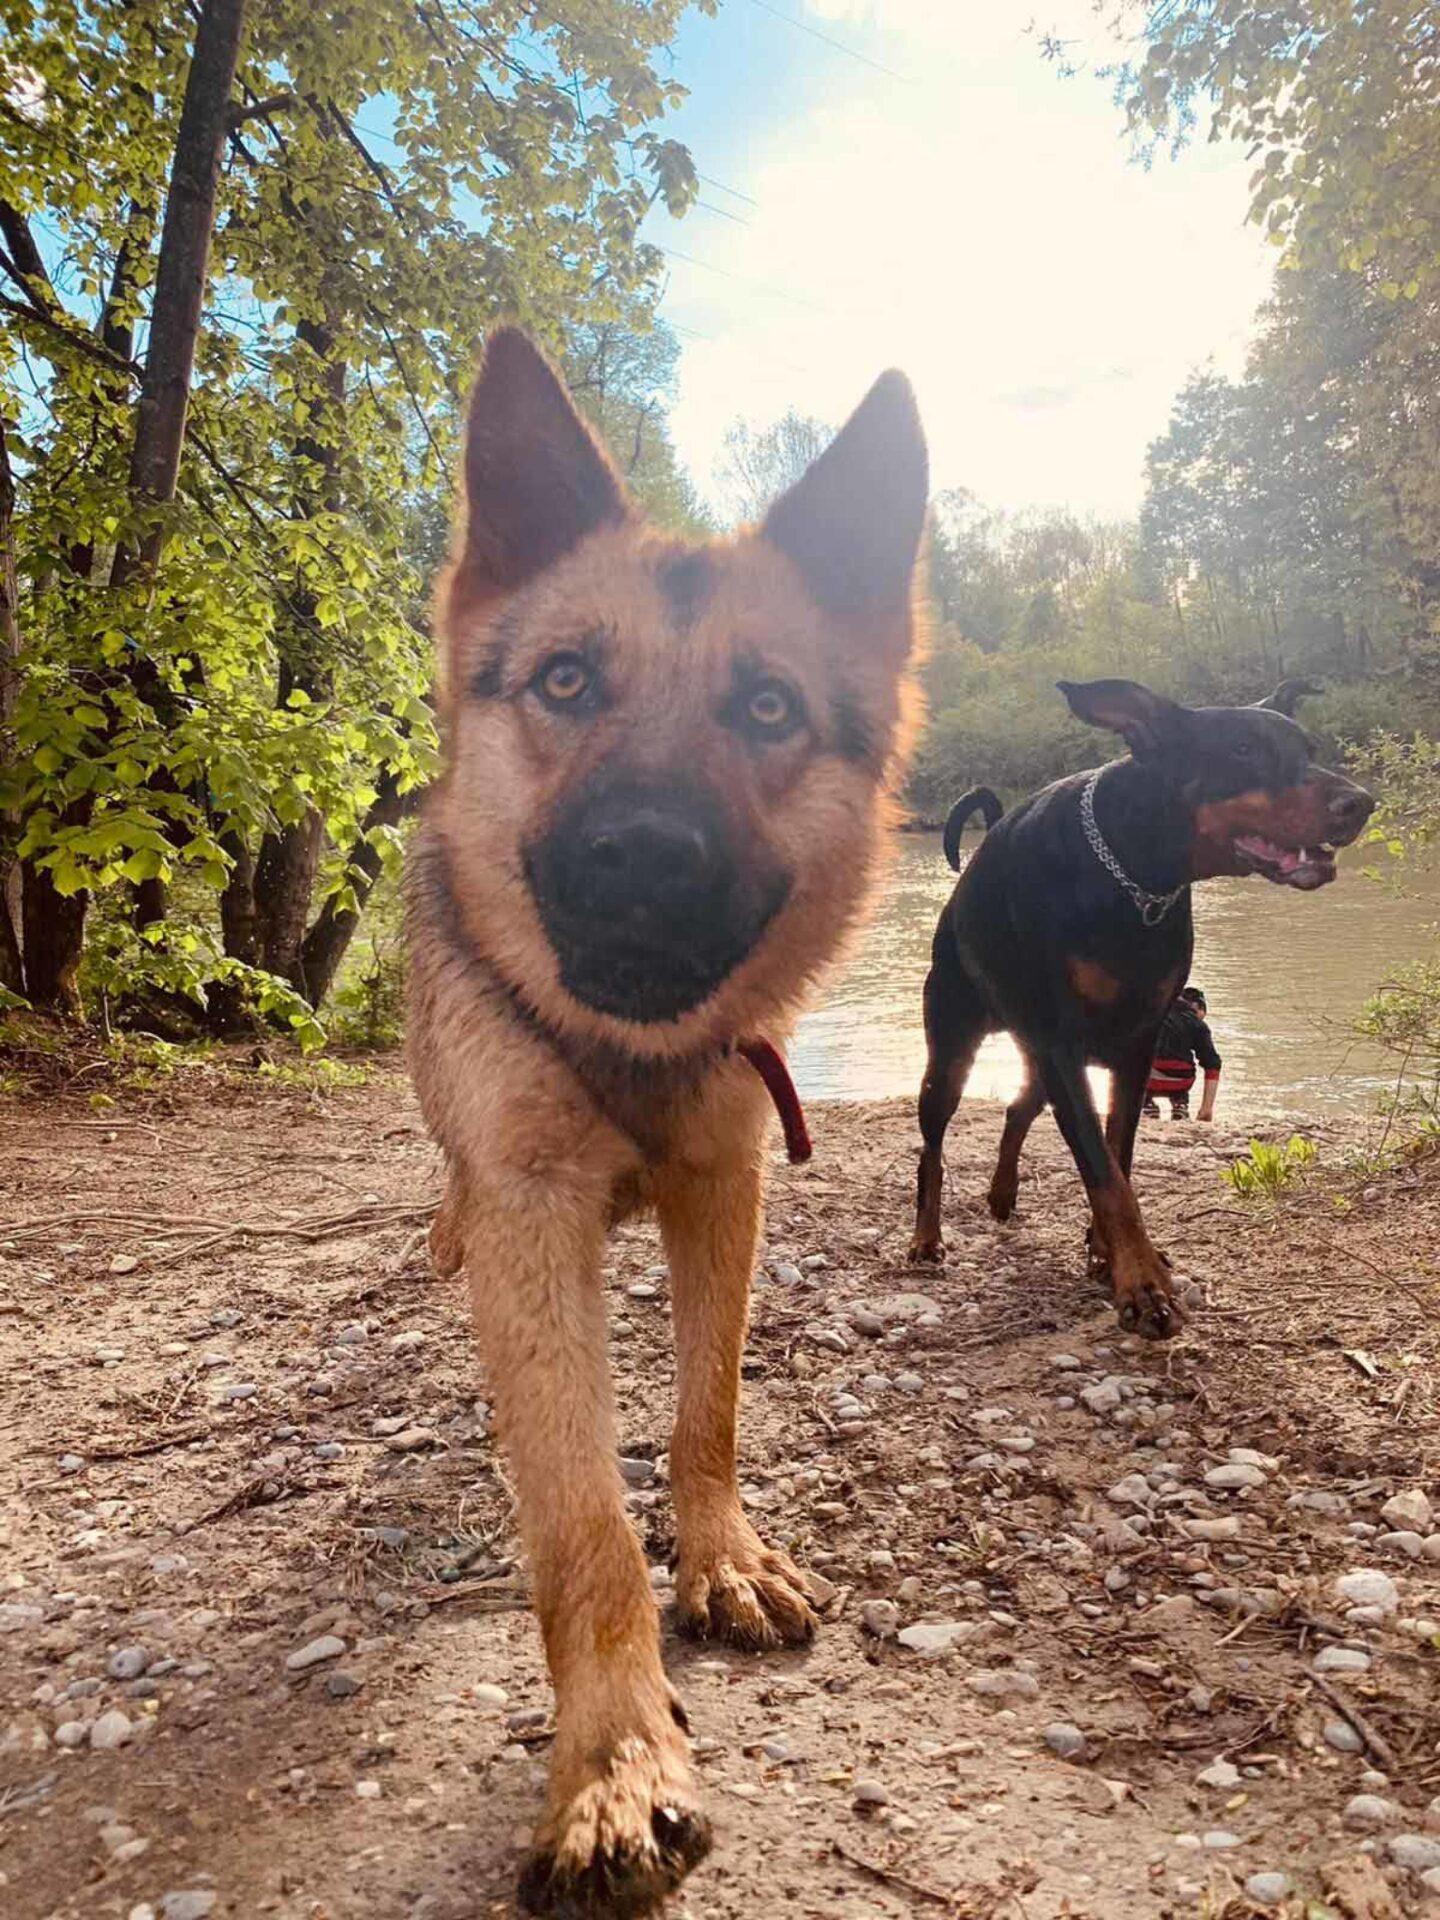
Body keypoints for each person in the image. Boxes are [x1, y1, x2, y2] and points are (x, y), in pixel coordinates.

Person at [1143, 985, 1221, 1121]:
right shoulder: (1198, 1024)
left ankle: (1147, 1104)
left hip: (1148, 1079)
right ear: (1199, 1008)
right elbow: (1212, 1065)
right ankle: (1180, 1103)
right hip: (1180, 1081)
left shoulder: (1150, 1014)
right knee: (1182, 1065)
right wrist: (1206, 1109)